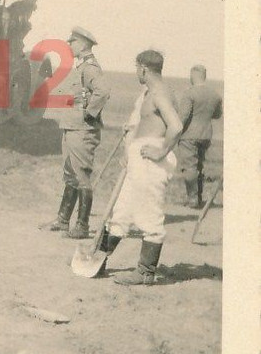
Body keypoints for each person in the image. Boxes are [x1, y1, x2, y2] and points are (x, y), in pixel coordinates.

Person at [96, 49, 183, 286]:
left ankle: (145, 272)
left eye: (137, 68)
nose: (136, 73)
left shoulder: (160, 93)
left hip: (150, 160)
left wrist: (161, 150)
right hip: (140, 159)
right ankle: (98, 259)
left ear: (143, 67)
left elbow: (176, 126)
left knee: (148, 215)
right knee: (121, 212)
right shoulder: (151, 92)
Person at [45, 26, 110, 238]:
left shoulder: (90, 68)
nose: (69, 45)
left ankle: (81, 226)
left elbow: (103, 91)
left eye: (72, 42)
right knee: (70, 174)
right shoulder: (81, 67)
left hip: (82, 130)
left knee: (81, 176)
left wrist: (89, 114)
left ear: (82, 44)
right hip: (72, 127)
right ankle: (63, 220)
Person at [175, 64, 223, 208]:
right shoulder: (215, 95)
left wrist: (174, 132)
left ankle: (193, 199)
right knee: (200, 167)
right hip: (206, 135)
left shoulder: (189, 93)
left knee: (189, 168)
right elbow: (217, 115)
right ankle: (199, 198)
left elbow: (182, 117)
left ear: (192, 76)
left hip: (189, 135)